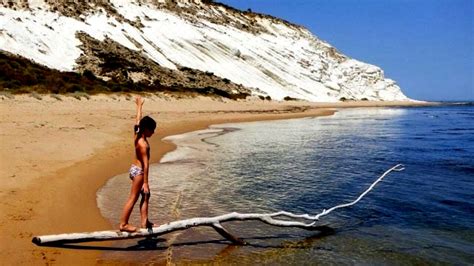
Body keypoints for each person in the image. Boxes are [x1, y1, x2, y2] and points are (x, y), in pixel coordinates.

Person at [119, 96, 156, 232]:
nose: (153, 132)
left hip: (134, 169)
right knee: (133, 197)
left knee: (146, 195)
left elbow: (138, 120)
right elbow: (146, 165)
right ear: (146, 129)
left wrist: (139, 106)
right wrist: (145, 183)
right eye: (152, 130)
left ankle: (145, 222)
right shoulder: (143, 145)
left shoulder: (138, 134)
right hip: (139, 172)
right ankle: (123, 224)